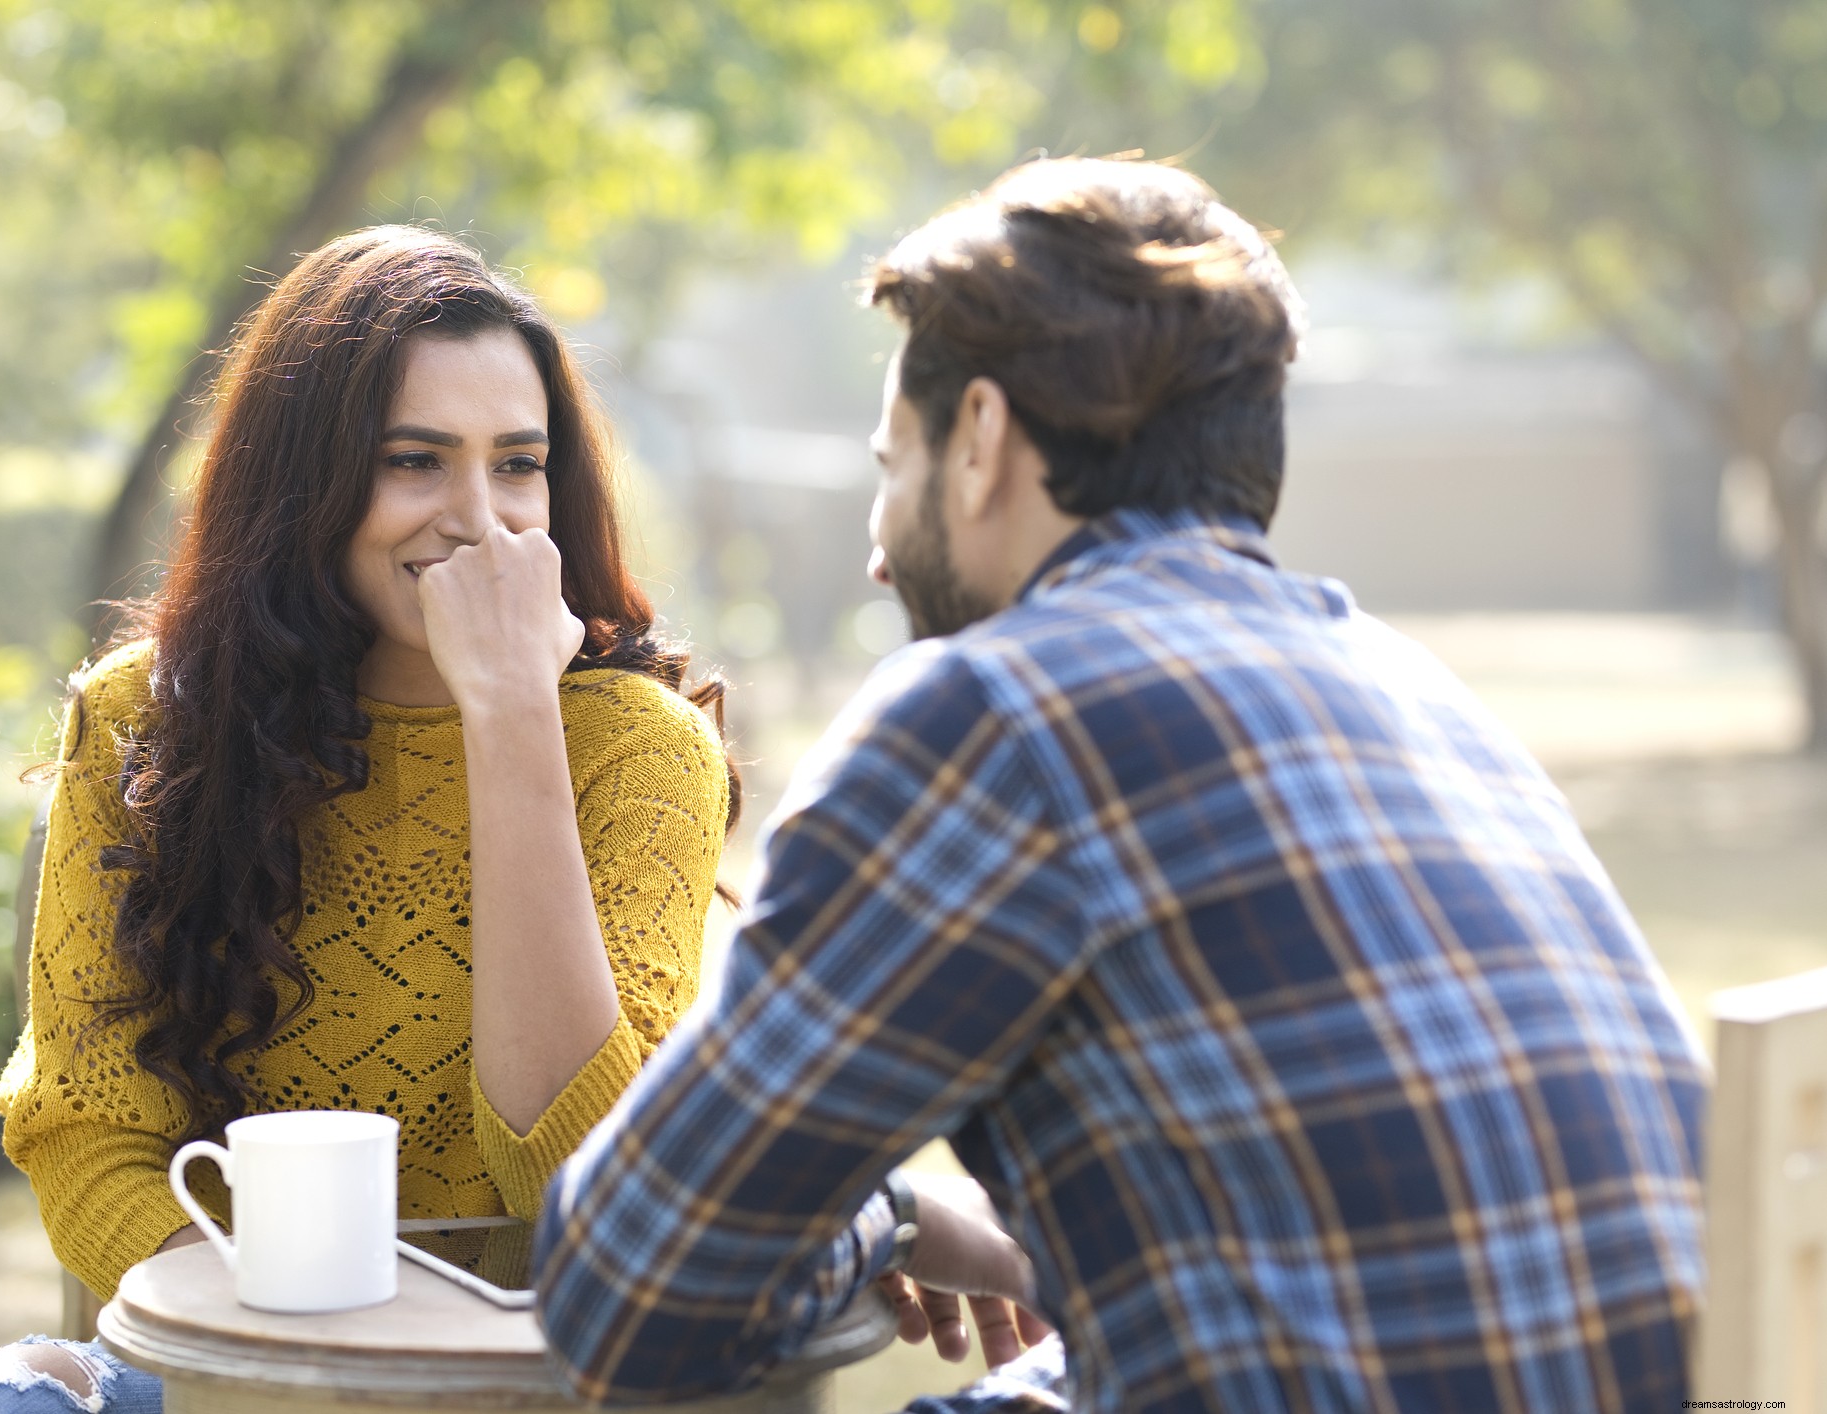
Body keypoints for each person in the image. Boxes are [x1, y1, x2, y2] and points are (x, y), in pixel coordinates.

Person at [533, 158, 1706, 1413]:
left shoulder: (993, 713)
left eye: (892, 464)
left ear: (979, 439)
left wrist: (885, 1214)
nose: (878, 553)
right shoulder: (1420, 695)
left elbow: (625, 1292)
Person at [0, 227, 734, 1413]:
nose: (481, 518)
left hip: (517, 1375)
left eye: (519, 464)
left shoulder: (641, 750)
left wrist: (512, 713)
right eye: (416, 461)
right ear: (304, 479)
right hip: (223, 1352)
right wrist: (277, 1372)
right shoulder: (144, 719)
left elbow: (579, 1175)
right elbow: (89, 1133)